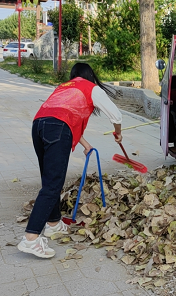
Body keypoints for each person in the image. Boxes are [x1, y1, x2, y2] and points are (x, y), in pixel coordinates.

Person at [18, 63, 123, 258]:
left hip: (39, 126)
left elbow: (61, 115)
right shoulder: (91, 88)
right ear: (90, 75)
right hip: (57, 129)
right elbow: (116, 115)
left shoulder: (64, 87)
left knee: (49, 180)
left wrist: (84, 144)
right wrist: (118, 134)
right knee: (52, 185)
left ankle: (53, 223)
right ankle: (30, 238)